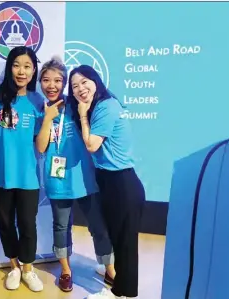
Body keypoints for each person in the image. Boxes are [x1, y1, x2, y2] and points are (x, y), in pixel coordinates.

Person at [35, 57, 115, 292]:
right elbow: (40, 148)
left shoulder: (77, 104)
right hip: (58, 180)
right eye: (46, 80)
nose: (52, 85)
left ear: (64, 83)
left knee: (98, 226)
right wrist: (48, 119)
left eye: (58, 80)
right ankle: (66, 271)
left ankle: (110, 269)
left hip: (84, 177)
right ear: (40, 82)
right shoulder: (41, 109)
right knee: (61, 227)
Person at [69, 65, 145, 299]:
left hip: (121, 182)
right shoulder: (103, 105)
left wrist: (82, 115)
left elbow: (92, 145)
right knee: (119, 239)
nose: (80, 89)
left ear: (96, 80)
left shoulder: (105, 106)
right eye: (74, 86)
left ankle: (124, 293)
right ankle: (120, 287)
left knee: (125, 243)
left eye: (84, 82)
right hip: (111, 181)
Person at [0, 46, 44, 292]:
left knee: (28, 224)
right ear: (9, 67)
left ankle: (28, 269)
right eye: (17, 65)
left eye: (27, 66)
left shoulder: (38, 101)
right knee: (6, 223)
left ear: (33, 71)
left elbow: (41, 141)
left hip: (28, 174)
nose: (22, 71)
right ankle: (14, 267)